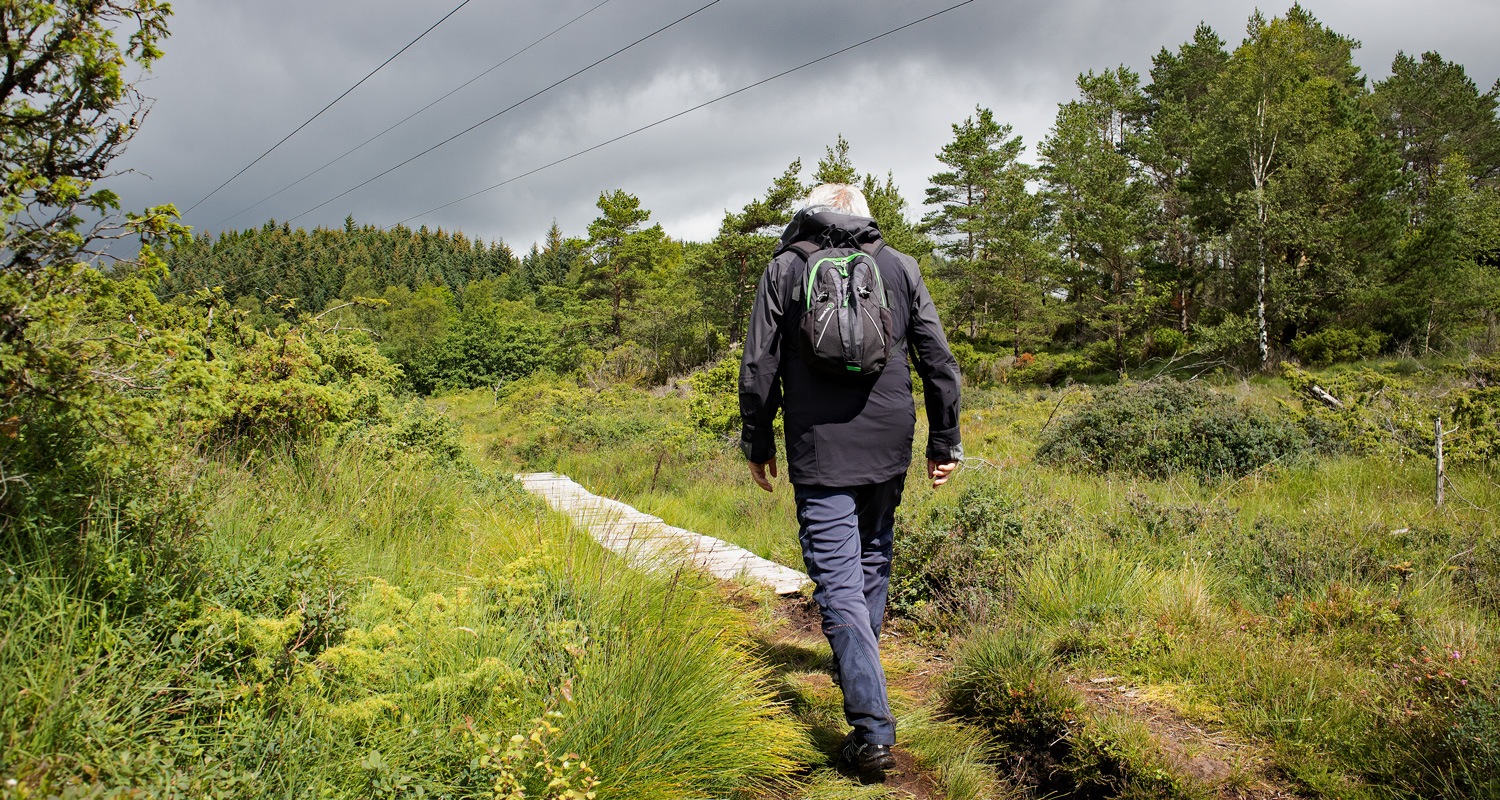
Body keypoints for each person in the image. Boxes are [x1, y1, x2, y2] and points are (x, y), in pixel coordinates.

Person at [738, 183, 962, 772]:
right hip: (890, 440)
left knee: (837, 579)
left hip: (818, 449)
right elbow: (937, 357)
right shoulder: (900, 266)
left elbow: (758, 364)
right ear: (863, 215)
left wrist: (757, 440)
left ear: (808, 214)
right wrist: (945, 441)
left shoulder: (784, 267)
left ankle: (872, 731)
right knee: (872, 557)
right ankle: (858, 664)